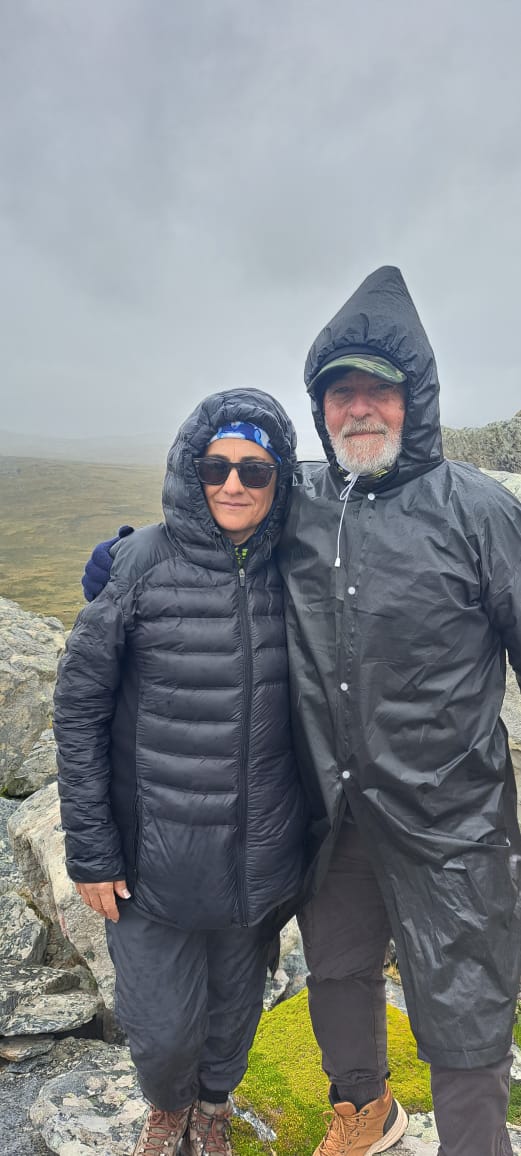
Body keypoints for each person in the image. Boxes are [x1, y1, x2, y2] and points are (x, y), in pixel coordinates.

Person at [83, 267, 521, 1156]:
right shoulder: (305, 499)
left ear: (414, 398)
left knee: (463, 1001)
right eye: (338, 392)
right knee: (337, 971)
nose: (358, 408)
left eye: (377, 390)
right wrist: (127, 556)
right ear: (319, 408)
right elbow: (217, 527)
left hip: (452, 816)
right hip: (336, 810)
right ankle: (365, 1110)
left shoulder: (478, 511)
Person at [53, 389, 307, 1156]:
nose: (232, 484)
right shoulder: (136, 564)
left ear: (279, 481)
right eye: (215, 466)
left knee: (234, 1013)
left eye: (255, 470)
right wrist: (91, 852)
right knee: (161, 1028)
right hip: (151, 862)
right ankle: (168, 1108)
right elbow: (79, 709)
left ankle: (213, 1108)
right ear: (189, 471)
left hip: (258, 860)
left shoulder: (298, 573)